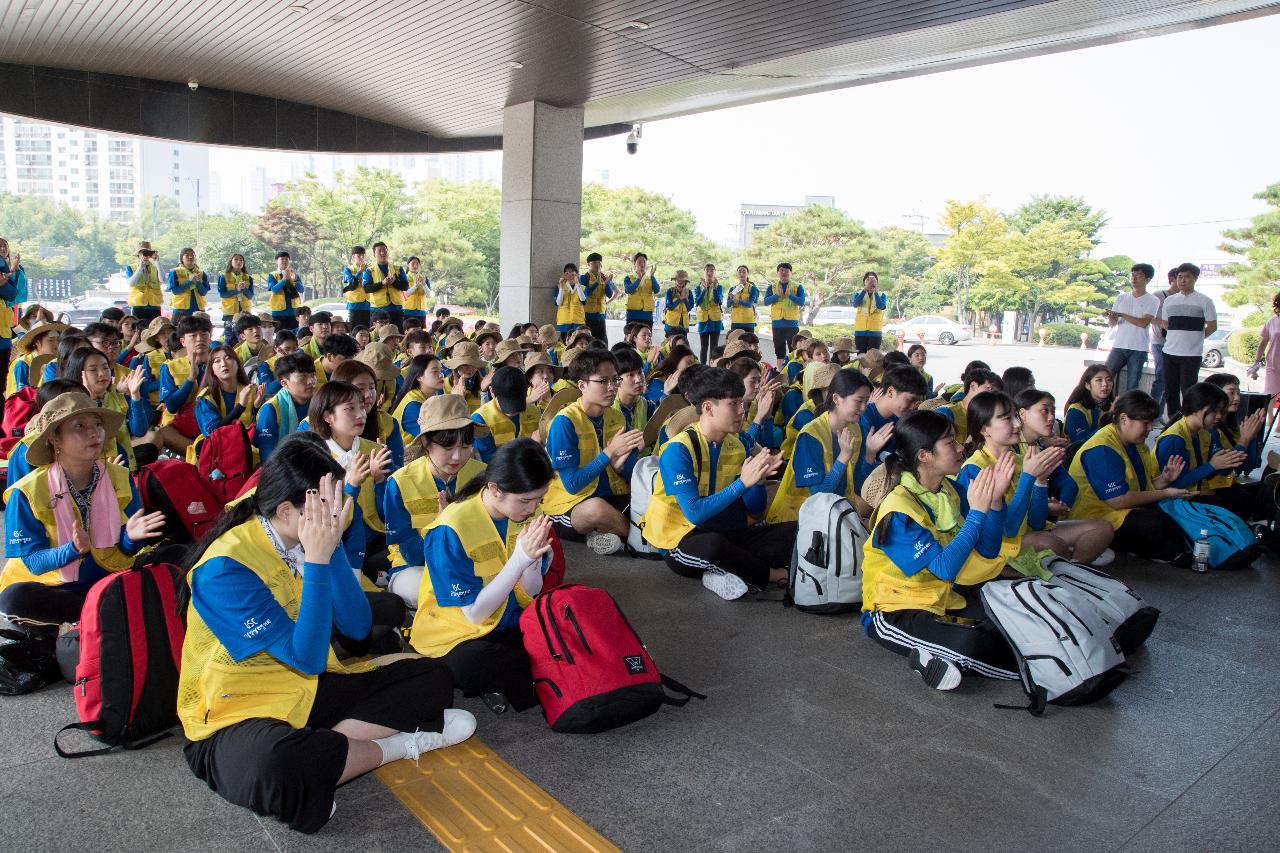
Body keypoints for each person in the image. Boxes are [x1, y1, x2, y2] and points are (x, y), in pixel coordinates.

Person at [178, 440, 470, 835]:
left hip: (304, 689)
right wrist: (317, 559)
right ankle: (394, 747)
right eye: (326, 503)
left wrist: (329, 551)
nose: (336, 510)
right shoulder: (224, 568)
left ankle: (328, 754)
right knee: (277, 767)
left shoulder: (304, 536)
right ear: (286, 511)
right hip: (234, 714)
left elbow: (355, 627)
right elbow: (308, 658)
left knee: (433, 676)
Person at [859, 409, 1018, 691]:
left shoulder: (948, 491)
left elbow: (989, 549)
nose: (960, 448)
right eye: (949, 442)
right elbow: (944, 569)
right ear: (924, 455)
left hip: (943, 597)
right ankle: (928, 654)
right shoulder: (897, 511)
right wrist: (978, 514)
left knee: (1010, 620)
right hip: (894, 611)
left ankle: (933, 653)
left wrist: (993, 502)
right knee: (974, 643)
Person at [408, 437, 553, 715]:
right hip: (457, 634)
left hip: (507, 622)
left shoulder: (530, 513)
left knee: (558, 636)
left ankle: (514, 680)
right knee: (474, 663)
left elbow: (531, 592)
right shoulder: (450, 527)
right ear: (495, 490)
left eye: (539, 499)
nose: (533, 509)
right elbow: (473, 615)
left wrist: (532, 563)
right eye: (525, 500)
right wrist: (519, 559)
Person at [0, 393, 165, 630]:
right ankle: (104, 618)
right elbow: (33, 562)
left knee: (176, 556)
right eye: (80, 426)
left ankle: (99, 618)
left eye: (97, 425)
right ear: (55, 439)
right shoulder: (26, 492)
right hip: (57, 589)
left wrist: (131, 538)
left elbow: (123, 550)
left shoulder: (119, 477)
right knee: (14, 598)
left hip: (107, 579)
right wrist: (72, 550)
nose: (94, 432)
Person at [642, 367, 792, 600]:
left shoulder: (737, 445)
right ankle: (772, 574)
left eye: (742, 403)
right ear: (709, 408)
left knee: (793, 532)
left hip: (722, 528)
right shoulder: (679, 449)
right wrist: (742, 483)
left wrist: (758, 482)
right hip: (678, 540)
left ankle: (727, 570)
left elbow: (754, 511)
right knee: (713, 547)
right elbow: (694, 513)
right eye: (734, 404)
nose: (742, 411)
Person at [956, 392, 1114, 566]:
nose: (1017, 423)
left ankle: (1072, 566)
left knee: (1102, 529)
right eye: (1006, 418)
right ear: (984, 429)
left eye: (1015, 416)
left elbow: (1037, 523)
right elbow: (1008, 529)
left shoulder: (1019, 459)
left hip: (1027, 532)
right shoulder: (974, 469)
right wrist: (1028, 477)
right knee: (1051, 544)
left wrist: (1040, 481)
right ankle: (1066, 567)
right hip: (999, 544)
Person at [383, 395, 488, 607]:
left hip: (471, 562)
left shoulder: (483, 475)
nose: (457, 457)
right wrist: (441, 531)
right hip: (415, 566)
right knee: (424, 588)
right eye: (448, 448)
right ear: (426, 442)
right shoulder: (399, 483)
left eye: (466, 446)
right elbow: (412, 554)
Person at [1067, 390, 1192, 564]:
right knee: (1154, 523)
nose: (1150, 429)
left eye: (1152, 423)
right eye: (1146, 423)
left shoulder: (1136, 444)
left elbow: (1140, 491)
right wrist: (1165, 493)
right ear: (1124, 419)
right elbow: (1118, 500)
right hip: (1094, 517)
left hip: (1120, 511)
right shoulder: (1102, 448)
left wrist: (1165, 480)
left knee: (1172, 515)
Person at [541, 349, 643, 555]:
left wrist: (620, 467)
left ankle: (608, 535)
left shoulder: (618, 417)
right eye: (603, 381)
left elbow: (630, 473)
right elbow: (572, 485)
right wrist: (608, 453)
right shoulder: (564, 422)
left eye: (614, 380)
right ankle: (639, 539)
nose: (612, 387)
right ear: (582, 385)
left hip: (612, 496)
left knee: (654, 502)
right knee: (597, 509)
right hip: (570, 505)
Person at [769, 369, 888, 521]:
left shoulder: (855, 429)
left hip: (836, 513)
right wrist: (843, 458)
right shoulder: (810, 435)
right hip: (798, 518)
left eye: (866, 401)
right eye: (859, 401)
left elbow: (857, 484)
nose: (864, 408)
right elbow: (819, 497)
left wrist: (870, 454)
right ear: (837, 398)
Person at [309, 381, 393, 572]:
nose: (360, 414)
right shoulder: (316, 458)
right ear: (328, 417)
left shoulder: (374, 450)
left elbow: (387, 514)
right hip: (339, 545)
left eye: (362, 407)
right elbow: (323, 522)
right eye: (350, 409)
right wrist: (351, 484)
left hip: (377, 537)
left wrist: (380, 482)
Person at [1155, 382, 1259, 519]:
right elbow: (1174, 483)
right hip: (1174, 502)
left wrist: (1249, 439)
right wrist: (1212, 465)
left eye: (1221, 411)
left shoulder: (1203, 433)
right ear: (1197, 408)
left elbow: (1224, 470)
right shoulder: (1175, 439)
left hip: (1195, 496)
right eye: (1215, 411)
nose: (1219, 416)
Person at [62, 345, 149, 471]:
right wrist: (89, 402)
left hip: (123, 467)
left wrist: (135, 396)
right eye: (93, 370)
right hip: (90, 472)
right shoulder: (71, 404)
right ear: (79, 373)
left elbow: (139, 431)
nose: (102, 374)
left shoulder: (114, 396)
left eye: (105, 367)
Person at [1156, 262, 1216, 420]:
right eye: (1180, 277)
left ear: (1195, 278)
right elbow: (1166, 324)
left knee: (1189, 392)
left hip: (1191, 355)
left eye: (1187, 277)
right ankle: (1173, 422)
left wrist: (1196, 337)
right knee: (1170, 391)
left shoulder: (1205, 300)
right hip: (1169, 352)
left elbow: (1213, 326)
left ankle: (1188, 422)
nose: (1182, 280)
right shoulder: (1169, 301)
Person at [333, 357, 405, 471]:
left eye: (372, 387)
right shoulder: (312, 424)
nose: (368, 394)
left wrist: (386, 463)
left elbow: (398, 472)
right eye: (360, 388)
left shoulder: (387, 422)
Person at [157, 315, 215, 454]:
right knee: (163, 433)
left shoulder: (220, 362)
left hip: (214, 424)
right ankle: (203, 452)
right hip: (181, 429)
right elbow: (171, 407)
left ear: (210, 337)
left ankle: (206, 451)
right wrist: (190, 379)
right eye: (193, 335)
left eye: (204, 334)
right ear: (183, 341)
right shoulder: (170, 367)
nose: (199, 339)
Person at [1104, 263, 1160, 394]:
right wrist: (1112, 317)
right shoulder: (1121, 297)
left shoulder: (1153, 300)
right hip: (1119, 345)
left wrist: (1122, 314)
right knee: (1105, 377)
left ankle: (1129, 412)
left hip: (1138, 348)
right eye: (1133, 275)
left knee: (1132, 385)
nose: (1134, 278)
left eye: (1139, 275)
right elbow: (1113, 324)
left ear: (1148, 279)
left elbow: (1143, 323)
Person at [255, 351, 318, 461]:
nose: (311, 381)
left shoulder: (319, 402)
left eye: (313, 375)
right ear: (284, 383)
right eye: (302, 377)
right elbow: (268, 457)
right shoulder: (270, 409)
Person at [471, 366, 540, 462]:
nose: (513, 411)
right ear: (492, 391)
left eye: (518, 400)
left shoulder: (535, 412)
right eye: (507, 402)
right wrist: (532, 449)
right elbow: (492, 466)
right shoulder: (480, 419)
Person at [195, 346, 263, 441]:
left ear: (238, 364)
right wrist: (241, 406)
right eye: (217, 361)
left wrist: (257, 407)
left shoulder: (252, 390)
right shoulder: (205, 397)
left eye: (228, 358)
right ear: (212, 370)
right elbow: (214, 433)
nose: (223, 364)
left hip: (249, 444)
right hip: (218, 450)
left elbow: (261, 427)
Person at [861, 365, 928, 457]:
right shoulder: (863, 418)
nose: (913, 407)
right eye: (910, 400)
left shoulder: (899, 418)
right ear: (891, 392)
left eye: (915, 402)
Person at [391, 353, 445, 452]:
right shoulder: (413, 405)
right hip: (405, 460)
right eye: (435, 371)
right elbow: (439, 438)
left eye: (441, 371)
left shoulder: (430, 395)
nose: (441, 375)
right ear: (419, 377)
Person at [1147, 268, 1179, 415]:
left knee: (1171, 380)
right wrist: (1164, 323)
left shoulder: (1184, 299)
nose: (1183, 281)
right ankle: (1152, 413)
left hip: (1176, 344)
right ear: (1171, 279)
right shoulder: (1159, 296)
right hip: (1159, 342)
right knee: (1161, 377)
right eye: (1179, 277)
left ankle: (1159, 414)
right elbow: (1148, 318)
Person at [763, 262, 805, 362]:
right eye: (781, 270)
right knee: (779, 351)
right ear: (778, 273)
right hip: (777, 323)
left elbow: (801, 302)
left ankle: (792, 372)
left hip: (792, 324)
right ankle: (780, 372)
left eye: (787, 271)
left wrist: (790, 295)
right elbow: (766, 302)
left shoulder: (798, 286)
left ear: (791, 273)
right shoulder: (772, 287)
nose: (784, 272)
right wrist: (777, 295)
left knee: (793, 351)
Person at [6, 320, 62, 393]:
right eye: (51, 340)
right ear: (37, 343)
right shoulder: (23, 363)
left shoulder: (55, 360)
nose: (56, 345)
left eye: (58, 340)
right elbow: (23, 395)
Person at [1064, 364, 1115, 443]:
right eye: (1099, 380)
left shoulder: (1113, 406)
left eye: (1109, 380)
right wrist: (1108, 419)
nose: (1105, 384)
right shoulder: (1076, 411)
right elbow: (1082, 444)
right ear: (1088, 385)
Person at [367, 242, 408, 331]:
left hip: (396, 309)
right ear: (374, 254)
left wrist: (394, 282)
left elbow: (405, 286)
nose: (382, 253)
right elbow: (367, 288)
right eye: (379, 251)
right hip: (378, 309)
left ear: (388, 252)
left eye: (385, 250)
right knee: (377, 336)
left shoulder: (398, 268)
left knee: (397, 334)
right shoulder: (369, 270)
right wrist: (382, 283)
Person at [0, 237, 23, 390]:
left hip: (4, 329)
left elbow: (13, 293)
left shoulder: (10, 268)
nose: (3, 248)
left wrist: (12, 273)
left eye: (5, 246)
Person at [1249, 291, 1280, 395]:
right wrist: (1256, 364)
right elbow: (1263, 344)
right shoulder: (1272, 321)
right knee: (1272, 400)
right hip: (1274, 368)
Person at [124, 241, 163, 324]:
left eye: (148, 252)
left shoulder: (155, 267)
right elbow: (131, 283)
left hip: (154, 305)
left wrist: (157, 262)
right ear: (138, 254)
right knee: (139, 329)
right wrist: (140, 268)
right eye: (143, 252)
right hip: (138, 305)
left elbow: (162, 279)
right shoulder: (131, 267)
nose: (146, 255)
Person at [580, 252, 615, 343]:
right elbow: (584, 295)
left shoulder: (604, 277)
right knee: (588, 341)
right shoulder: (584, 277)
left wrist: (607, 283)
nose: (597, 264)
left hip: (601, 315)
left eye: (599, 262)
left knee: (602, 342)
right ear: (589, 264)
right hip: (587, 315)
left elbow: (609, 294)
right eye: (594, 262)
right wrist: (596, 283)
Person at [166, 248, 209, 320]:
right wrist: (189, 282)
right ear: (181, 258)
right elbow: (175, 291)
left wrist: (198, 283)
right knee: (180, 330)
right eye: (187, 255)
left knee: (200, 330)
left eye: (192, 255)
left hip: (198, 309)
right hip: (181, 309)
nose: (190, 257)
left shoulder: (201, 273)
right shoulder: (175, 272)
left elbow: (204, 292)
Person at [266, 251, 305, 331]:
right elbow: (274, 290)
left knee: (294, 334)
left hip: (293, 311)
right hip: (278, 311)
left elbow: (301, 289)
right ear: (277, 261)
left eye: (287, 259)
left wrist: (294, 280)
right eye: (282, 259)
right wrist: (284, 279)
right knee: (280, 336)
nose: (284, 261)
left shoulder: (294, 275)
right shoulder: (272, 275)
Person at [694, 264, 724, 364]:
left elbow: (719, 301)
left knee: (714, 346)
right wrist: (704, 289)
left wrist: (714, 288)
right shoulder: (698, 287)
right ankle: (702, 367)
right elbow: (697, 302)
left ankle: (712, 367)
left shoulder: (719, 286)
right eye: (707, 270)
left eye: (712, 270)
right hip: (703, 319)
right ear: (704, 272)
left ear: (715, 272)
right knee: (704, 345)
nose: (709, 273)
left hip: (715, 319)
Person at [442, 341, 484, 412]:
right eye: (465, 365)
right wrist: (457, 399)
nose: (470, 369)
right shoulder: (443, 385)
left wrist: (484, 391)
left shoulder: (484, 384)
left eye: (474, 364)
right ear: (456, 366)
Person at [851, 272, 888, 353]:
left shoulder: (882, 294)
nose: (871, 282)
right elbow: (855, 304)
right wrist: (865, 289)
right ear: (864, 282)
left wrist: (875, 292)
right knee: (861, 356)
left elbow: (880, 306)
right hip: (860, 331)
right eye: (868, 280)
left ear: (877, 282)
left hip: (875, 331)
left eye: (873, 280)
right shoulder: (858, 293)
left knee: (873, 357)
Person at [623, 252, 660, 327]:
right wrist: (639, 279)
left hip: (647, 316)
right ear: (634, 264)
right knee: (631, 337)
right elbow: (629, 290)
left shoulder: (650, 278)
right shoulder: (628, 278)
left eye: (644, 262)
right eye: (639, 261)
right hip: (633, 315)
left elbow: (657, 290)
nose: (642, 263)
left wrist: (652, 276)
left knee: (646, 337)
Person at [554, 263, 587, 335]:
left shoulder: (583, 287)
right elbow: (558, 303)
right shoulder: (558, 287)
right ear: (564, 275)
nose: (570, 275)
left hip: (578, 321)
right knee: (563, 344)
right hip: (563, 321)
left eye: (572, 273)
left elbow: (583, 300)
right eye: (568, 273)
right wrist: (561, 287)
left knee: (578, 342)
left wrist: (577, 284)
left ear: (577, 274)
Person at [726, 265, 760, 333]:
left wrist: (738, 300)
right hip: (735, 322)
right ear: (737, 274)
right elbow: (728, 305)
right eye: (739, 272)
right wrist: (731, 298)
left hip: (748, 322)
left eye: (744, 272)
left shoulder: (752, 288)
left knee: (749, 343)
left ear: (747, 274)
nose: (742, 274)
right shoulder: (732, 289)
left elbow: (749, 304)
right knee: (735, 343)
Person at [663, 271, 694, 336]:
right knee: (670, 343)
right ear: (675, 281)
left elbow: (689, 308)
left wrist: (685, 298)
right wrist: (680, 299)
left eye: (682, 280)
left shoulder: (689, 292)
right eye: (678, 280)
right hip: (671, 323)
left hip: (683, 324)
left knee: (683, 343)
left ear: (685, 282)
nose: (680, 281)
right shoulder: (670, 291)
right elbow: (670, 307)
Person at [404, 255, 431, 326]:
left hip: (421, 312)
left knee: (420, 334)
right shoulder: (404, 277)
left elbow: (428, 295)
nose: (415, 266)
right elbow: (405, 294)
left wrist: (424, 284)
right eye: (413, 263)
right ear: (408, 265)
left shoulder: (424, 278)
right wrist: (415, 286)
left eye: (417, 264)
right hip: (407, 311)